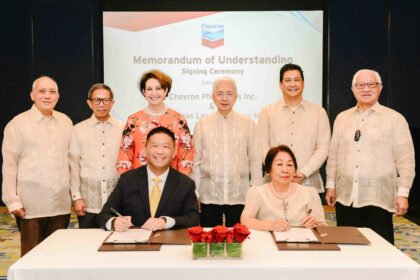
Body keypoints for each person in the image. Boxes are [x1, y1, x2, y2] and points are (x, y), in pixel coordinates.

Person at [325, 69, 415, 244]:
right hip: (346, 196)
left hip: (378, 197)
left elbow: (406, 160)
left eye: (371, 85)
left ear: (380, 88)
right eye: (360, 85)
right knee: (348, 246)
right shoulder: (342, 118)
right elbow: (333, 154)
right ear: (353, 89)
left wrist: (403, 193)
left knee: (381, 249)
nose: (365, 89)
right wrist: (331, 185)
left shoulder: (395, 119)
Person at [2, 76, 73, 256]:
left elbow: (72, 161)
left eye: (52, 92)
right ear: (32, 95)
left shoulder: (66, 121)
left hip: (61, 204)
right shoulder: (17, 124)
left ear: (58, 96)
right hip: (31, 206)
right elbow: (9, 166)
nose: (47, 96)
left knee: (57, 256)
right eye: (42, 91)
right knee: (31, 257)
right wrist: (12, 200)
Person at [97, 126, 199, 231]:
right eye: (154, 146)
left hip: (168, 244)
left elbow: (194, 219)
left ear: (174, 153)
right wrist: (113, 222)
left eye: (166, 146)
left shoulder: (185, 184)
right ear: (145, 150)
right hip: (133, 243)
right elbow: (104, 214)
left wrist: (166, 222)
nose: (160, 151)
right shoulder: (127, 179)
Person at [191, 77, 262, 227]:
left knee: (239, 243)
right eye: (220, 94)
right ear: (213, 96)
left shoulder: (248, 123)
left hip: (240, 196)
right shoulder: (202, 124)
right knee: (210, 241)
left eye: (229, 94)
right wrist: (195, 192)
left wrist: (255, 193)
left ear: (236, 96)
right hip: (209, 196)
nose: (224, 98)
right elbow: (196, 161)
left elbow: (255, 160)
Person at [257, 63, 330, 193]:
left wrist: (304, 172)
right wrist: (279, 171)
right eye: (288, 80)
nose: (292, 84)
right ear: (280, 84)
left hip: (308, 185)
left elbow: (323, 148)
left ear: (303, 83)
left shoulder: (318, 112)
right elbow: (262, 146)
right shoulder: (267, 111)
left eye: (297, 80)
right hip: (274, 186)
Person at [116, 69, 193, 175]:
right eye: (149, 89)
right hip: (139, 184)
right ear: (144, 92)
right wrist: (129, 184)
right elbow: (124, 156)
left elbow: (186, 156)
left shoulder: (178, 119)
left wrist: (180, 186)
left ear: (165, 91)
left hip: (172, 184)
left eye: (158, 88)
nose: (154, 93)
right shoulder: (133, 120)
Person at [69, 83, 124, 228]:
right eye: (97, 100)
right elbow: (73, 167)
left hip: (116, 203)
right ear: (89, 103)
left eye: (105, 100)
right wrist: (76, 197)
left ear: (112, 103)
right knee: (87, 245)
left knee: (116, 245)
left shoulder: (123, 129)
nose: (101, 104)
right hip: (88, 204)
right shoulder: (78, 130)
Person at [241, 145, 325, 231]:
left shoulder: (310, 193)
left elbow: (322, 225)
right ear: (268, 169)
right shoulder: (257, 192)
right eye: (279, 164)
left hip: (302, 243)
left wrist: (314, 223)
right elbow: (245, 220)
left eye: (289, 165)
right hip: (267, 242)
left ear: (295, 170)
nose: (285, 170)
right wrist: (269, 225)